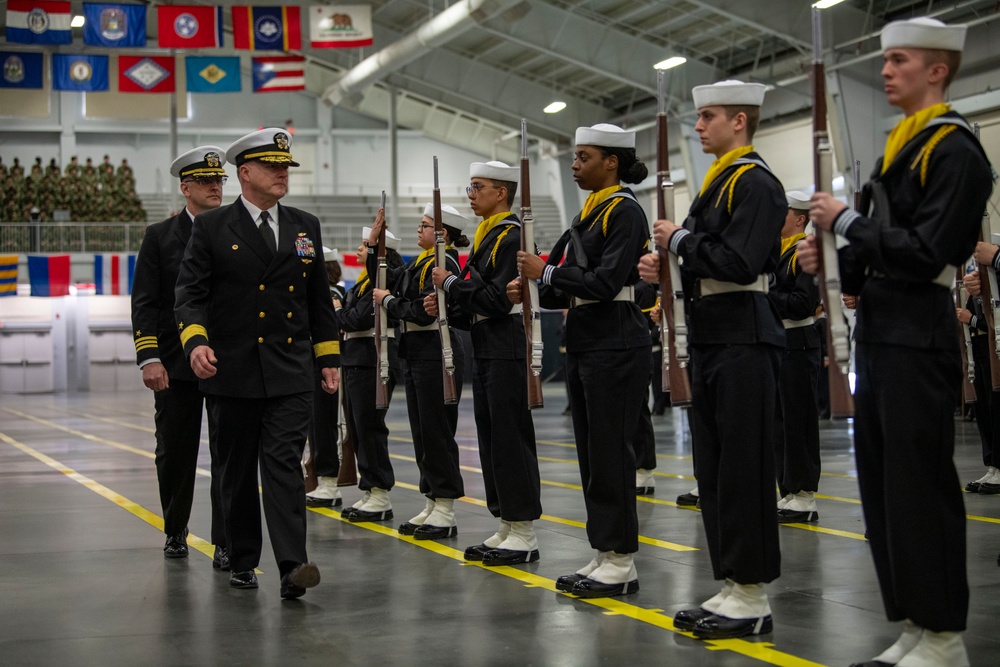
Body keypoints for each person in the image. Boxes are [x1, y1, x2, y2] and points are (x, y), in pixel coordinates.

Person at [801, 18, 992, 667]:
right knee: (884, 486)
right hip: (883, 327)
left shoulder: (956, 149)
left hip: (919, 328)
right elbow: (869, 254)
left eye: (900, 60)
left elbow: (931, 250)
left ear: (937, 71)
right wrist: (826, 255)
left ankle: (945, 635)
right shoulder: (900, 147)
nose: (886, 71)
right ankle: (914, 622)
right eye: (884, 60)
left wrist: (848, 222)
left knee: (920, 483)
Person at [638, 80, 785, 640]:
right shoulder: (719, 184)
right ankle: (732, 581)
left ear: (740, 122)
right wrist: (668, 268)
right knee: (716, 470)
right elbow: (708, 258)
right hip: (713, 336)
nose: (698, 126)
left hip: (745, 336)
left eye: (708, 117)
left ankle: (752, 592)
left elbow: (742, 262)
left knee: (744, 468)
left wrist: (678, 244)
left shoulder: (756, 183)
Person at [174, 128, 341, 600]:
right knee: (236, 468)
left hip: (289, 369)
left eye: (286, 166)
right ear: (245, 173)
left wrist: (328, 358)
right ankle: (243, 557)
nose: (282, 173)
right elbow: (190, 295)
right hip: (233, 371)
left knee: (285, 464)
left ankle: (293, 565)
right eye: (272, 166)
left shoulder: (304, 225)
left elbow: (317, 302)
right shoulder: (211, 228)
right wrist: (196, 343)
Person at [514, 122, 651, 597]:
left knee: (612, 452)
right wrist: (538, 277)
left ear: (611, 162)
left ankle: (621, 559)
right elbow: (556, 286)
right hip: (589, 336)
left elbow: (605, 282)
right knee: (593, 454)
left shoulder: (623, 211)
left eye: (584, 157)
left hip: (616, 336)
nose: (575, 165)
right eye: (574, 157)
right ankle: (604, 552)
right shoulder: (588, 214)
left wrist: (547, 271)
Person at [429, 160, 542, 566]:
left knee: (510, 437)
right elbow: (477, 299)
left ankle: (524, 528)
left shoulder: (510, 236)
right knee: (492, 436)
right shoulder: (485, 235)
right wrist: (449, 298)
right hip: (487, 342)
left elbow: (495, 299)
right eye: (470, 186)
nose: (470, 194)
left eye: (478, 187)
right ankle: (508, 523)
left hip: (507, 343)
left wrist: (453, 284)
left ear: (502, 193)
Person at [131, 146, 229, 568]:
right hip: (174, 363)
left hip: (226, 363)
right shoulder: (160, 236)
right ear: (185, 187)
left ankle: (227, 540)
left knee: (229, 454)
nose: (215, 187)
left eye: (220, 180)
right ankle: (175, 529)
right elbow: (146, 302)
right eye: (206, 181)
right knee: (175, 450)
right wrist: (148, 357)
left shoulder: (234, 229)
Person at [372, 203, 470, 539]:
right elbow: (387, 281)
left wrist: (388, 303)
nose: (419, 229)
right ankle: (432, 499)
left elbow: (423, 311)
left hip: (436, 349)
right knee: (422, 432)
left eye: (425, 225)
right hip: (416, 351)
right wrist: (375, 247)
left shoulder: (444, 263)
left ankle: (445, 505)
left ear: (443, 235)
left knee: (437, 430)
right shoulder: (422, 262)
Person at [337, 222, 403, 522]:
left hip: (372, 358)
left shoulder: (382, 281)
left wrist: (340, 314)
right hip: (355, 358)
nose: (360, 250)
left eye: (366, 246)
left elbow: (359, 318)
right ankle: (370, 488)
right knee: (358, 426)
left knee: (370, 425)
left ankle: (380, 491)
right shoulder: (363, 283)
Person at [770, 191, 822, 523]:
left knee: (799, 420)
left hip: (799, 340)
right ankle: (788, 489)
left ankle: (804, 493)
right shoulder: (775, 251)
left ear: (800, 217)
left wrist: (767, 295)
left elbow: (803, 302)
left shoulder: (806, 251)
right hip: (777, 340)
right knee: (780, 422)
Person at [304, 248, 348, 508]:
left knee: (323, 422)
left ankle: (329, 480)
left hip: (326, 361)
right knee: (315, 422)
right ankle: (323, 479)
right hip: (313, 361)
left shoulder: (332, 295)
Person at [968, 243, 1000, 493]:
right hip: (981, 340)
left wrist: (997, 258)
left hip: (990, 333)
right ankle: (993, 464)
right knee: (985, 403)